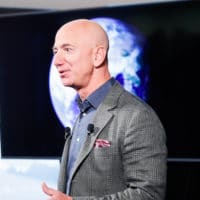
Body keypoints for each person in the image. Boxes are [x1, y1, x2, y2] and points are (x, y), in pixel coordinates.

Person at [42, 19, 167, 200]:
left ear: (98, 56)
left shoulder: (138, 117)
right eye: (56, 51)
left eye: (67, 50)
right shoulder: (80, 115)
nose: (57, 61)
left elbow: (149, 195)